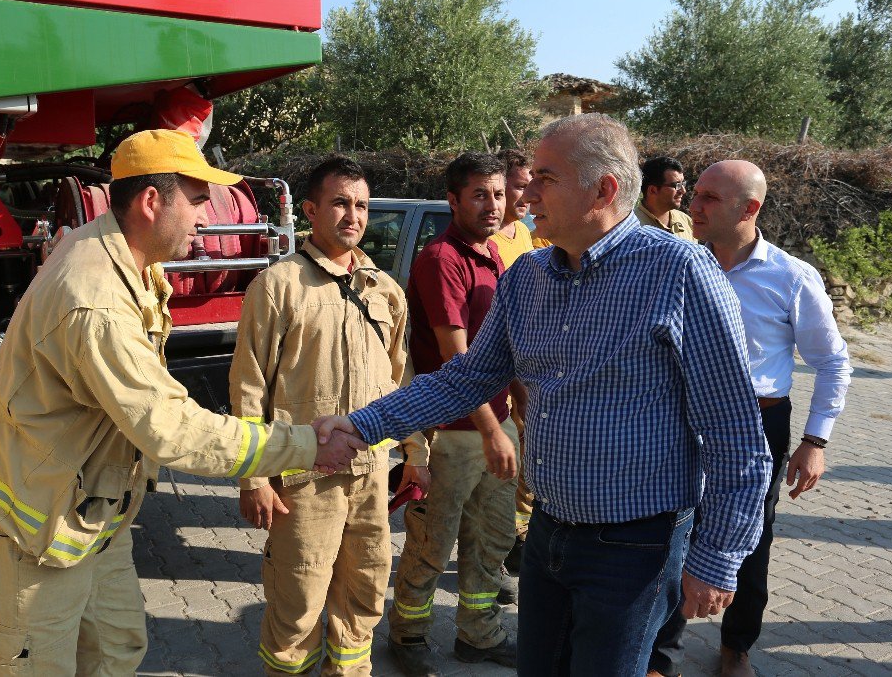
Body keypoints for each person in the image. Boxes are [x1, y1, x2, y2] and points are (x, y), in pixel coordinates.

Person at [316, 114, 773, 677]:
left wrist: (719, 557)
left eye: (545, 179)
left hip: (636, 550)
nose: (524, 194)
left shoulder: (679, 272)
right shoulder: (529, 275)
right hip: (549, 538)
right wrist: (363, 425)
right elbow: (465, 379)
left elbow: (735, 434)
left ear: (604, 189)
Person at [0, 129, 365, 676]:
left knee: (117, 652)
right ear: (152, 202)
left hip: (87, 522)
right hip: (32, 537)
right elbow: (170, 429)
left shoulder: (120, 255)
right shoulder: (95, 300)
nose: (203, 217)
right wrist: (306, 445)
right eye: (196, 202)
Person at [647, 160, 852, 677]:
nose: (693, 206)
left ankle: (736, 646)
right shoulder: (680, 265)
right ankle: (658, 653)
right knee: (672, 530)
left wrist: (815, 440)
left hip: (759, 424)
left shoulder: (790, 276)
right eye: (694, 194)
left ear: (750, 208)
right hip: (683, 419)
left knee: (751, 535)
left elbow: (832, 362)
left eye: (709, 198)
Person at [230, 156, 430, 676]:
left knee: (363, 600)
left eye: (361, 204)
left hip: (371, 478)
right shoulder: (278, 287)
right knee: (297, 608)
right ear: (311, 210)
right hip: (303, 481)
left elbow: (399, 384)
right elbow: (250, 387)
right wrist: (254, 478)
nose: (353, 215)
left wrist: (416, 452)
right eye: (340, 203)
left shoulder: (385, 291)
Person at [386, 151, 521, 676]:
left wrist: (518, 420)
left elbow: (507, 351)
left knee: (491, 540)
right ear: (453, 200)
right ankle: (410, 634)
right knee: (432, 542)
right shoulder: (442, 258)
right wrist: (494, 431)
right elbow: (456, 360)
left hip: (495, 427)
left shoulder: (494, 256)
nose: (493, 204)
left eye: (499, 194)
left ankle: (478, 636)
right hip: (452, 431)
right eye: (480, 195)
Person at [489, 148, 536, 605]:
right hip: (498, 377)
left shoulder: (526, 235)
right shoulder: (488, 245)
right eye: (518, 185)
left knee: (527, 468)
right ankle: (495, 556)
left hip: (530, 374)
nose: (526, 194)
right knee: (501, 473)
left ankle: (519, 540)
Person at [636, 156, 695, 242]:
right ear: (653, 190)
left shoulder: (686, 221)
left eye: (683, 184)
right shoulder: (632, 227)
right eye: (677, 185)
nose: (683, 190)